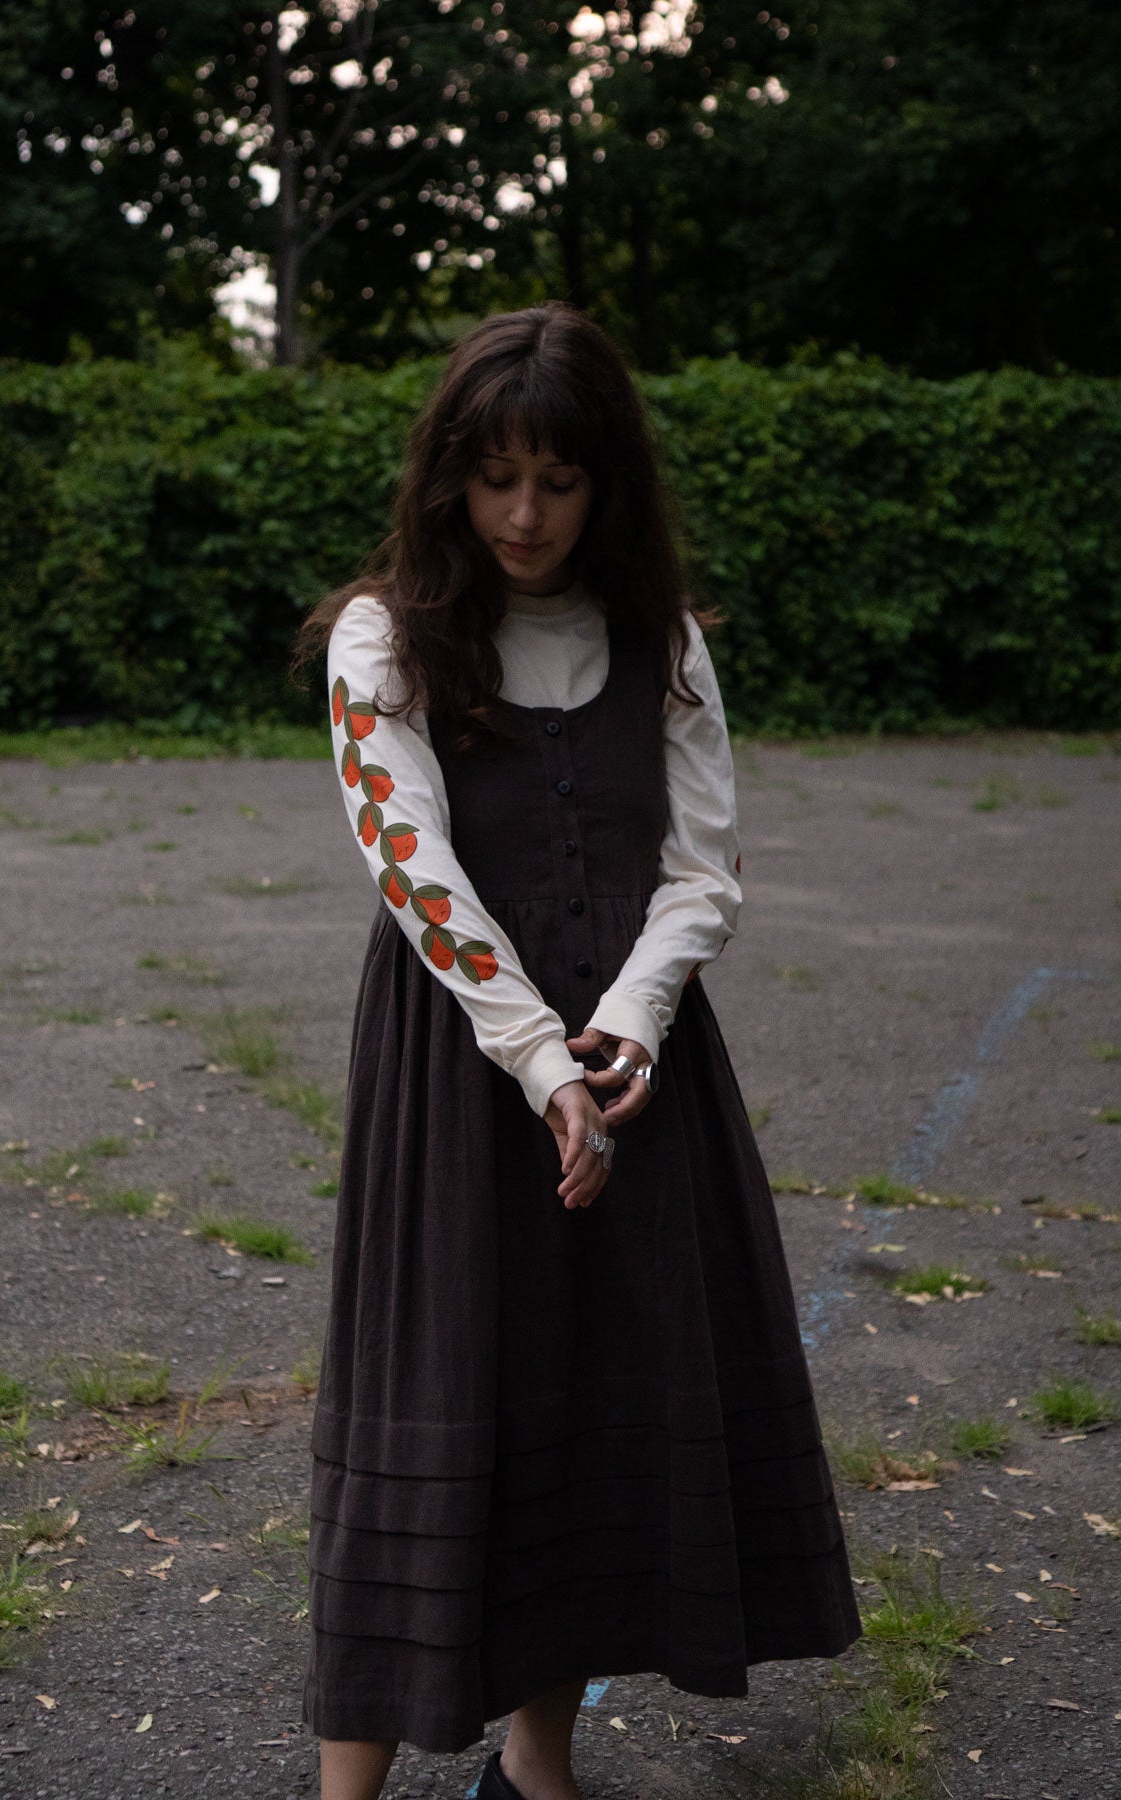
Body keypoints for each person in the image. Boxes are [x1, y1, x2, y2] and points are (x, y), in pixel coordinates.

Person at [290, 302, 861, 1800]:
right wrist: (543, 1058)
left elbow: (705, 869)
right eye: (494, 479)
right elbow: (410, 864)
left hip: (637, 1075)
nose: (525, 515)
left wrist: (628, 1025)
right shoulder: (383, 637)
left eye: (557, 479)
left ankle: (536, 1774)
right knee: (427, 1412)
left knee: (588, 1420)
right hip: (458, 1077)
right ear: (447, 478)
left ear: (607, 482)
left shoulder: (660, 640)